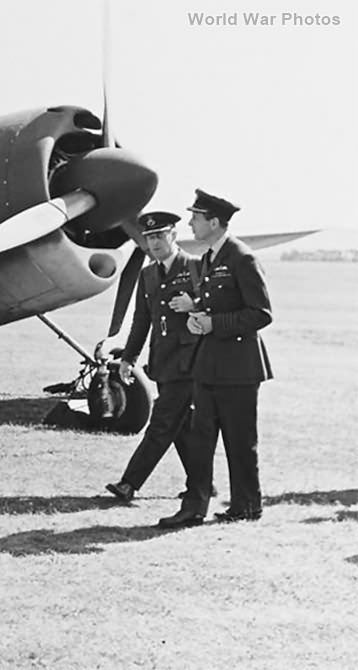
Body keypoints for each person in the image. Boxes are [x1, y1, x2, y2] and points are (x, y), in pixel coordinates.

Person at [158, 189, 273, 529]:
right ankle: (194, 507)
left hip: (239, 367)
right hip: (208, 364)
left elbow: (261, 314)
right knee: (200, 439)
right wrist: (198, 314)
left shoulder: (242, 258)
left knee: (239, 441)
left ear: (214, 222)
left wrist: (214, 323)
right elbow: (218, 304)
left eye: (195, 217)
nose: (190, 223)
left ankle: (247, 505)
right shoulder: (210, 257)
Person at [105, 212, 200, 502]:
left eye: (160, 235)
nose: (154, 242)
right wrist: (128, 358)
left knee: (162, 422)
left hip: (191, 362)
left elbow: (220, 304)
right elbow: (141, 321)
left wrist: (194, 303)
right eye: (149, 237)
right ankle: (201, 484)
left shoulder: (195, 267)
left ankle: (129, 483)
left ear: (174, 235)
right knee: (181, 427)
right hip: (163, 361)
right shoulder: (148, 274)